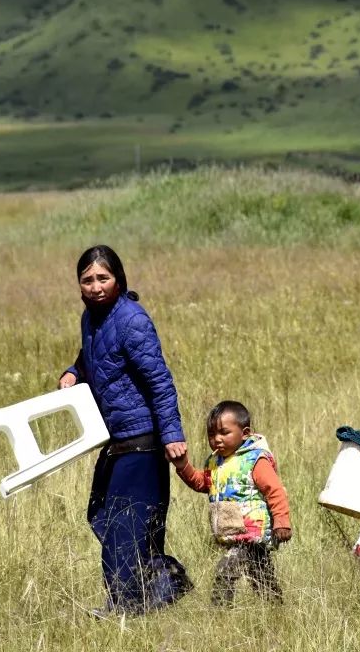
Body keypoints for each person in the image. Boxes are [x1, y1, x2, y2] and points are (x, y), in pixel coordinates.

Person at [58, 245, 190, 617]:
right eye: (87, 280)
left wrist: (172, 435)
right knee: (103, 516)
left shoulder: (132, 319)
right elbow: (93, 355)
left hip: (143, 440)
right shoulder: (92, 319)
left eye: (103, 278)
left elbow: (159, 381)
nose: (96, 287)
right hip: (116, 439)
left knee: (123, 525)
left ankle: (126, 605)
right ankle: (162, 587)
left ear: (118, 279)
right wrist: (74, 370)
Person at [170, 401, 291, 606]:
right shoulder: (216, 462)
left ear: (244, 433)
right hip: (235, 533)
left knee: (225, 572)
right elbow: (202, 483)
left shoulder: (255, 460)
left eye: (224, 433)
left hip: (252, 534)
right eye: (211, 434)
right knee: (262, 579)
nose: (216, 439)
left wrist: (282, 521)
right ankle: (277, 611)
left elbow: (275, 490)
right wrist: (183, 466)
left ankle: (219, 614)